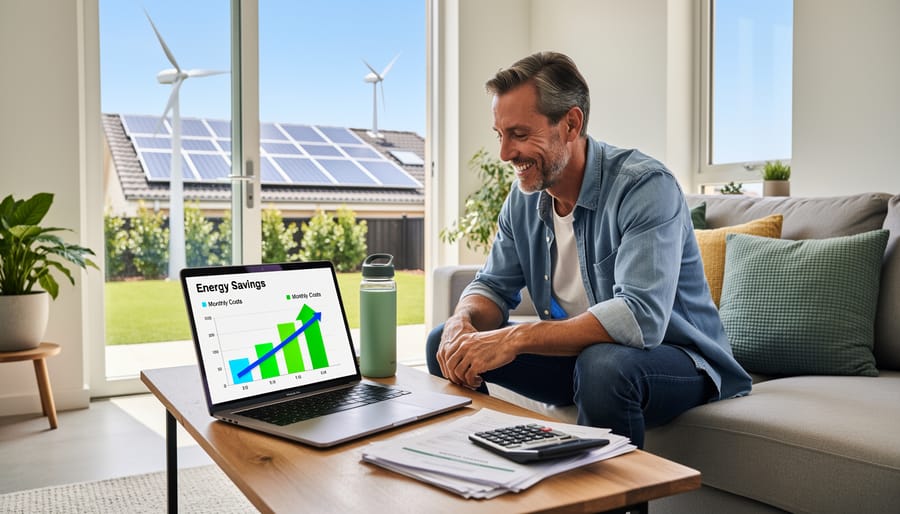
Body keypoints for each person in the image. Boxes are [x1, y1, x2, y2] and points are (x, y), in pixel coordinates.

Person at [426, 51, 751, 448]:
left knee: (603, 366)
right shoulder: (524, 198)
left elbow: (639, 319)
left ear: (571, 124)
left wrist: (515, 339)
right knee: (445, 342)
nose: (505, 154)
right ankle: (481, 474)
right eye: (500, 134)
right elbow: (493, 286)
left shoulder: (644, 186)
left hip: (678, 358)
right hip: (582, 358)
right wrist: (463, 319)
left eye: (520, 134)